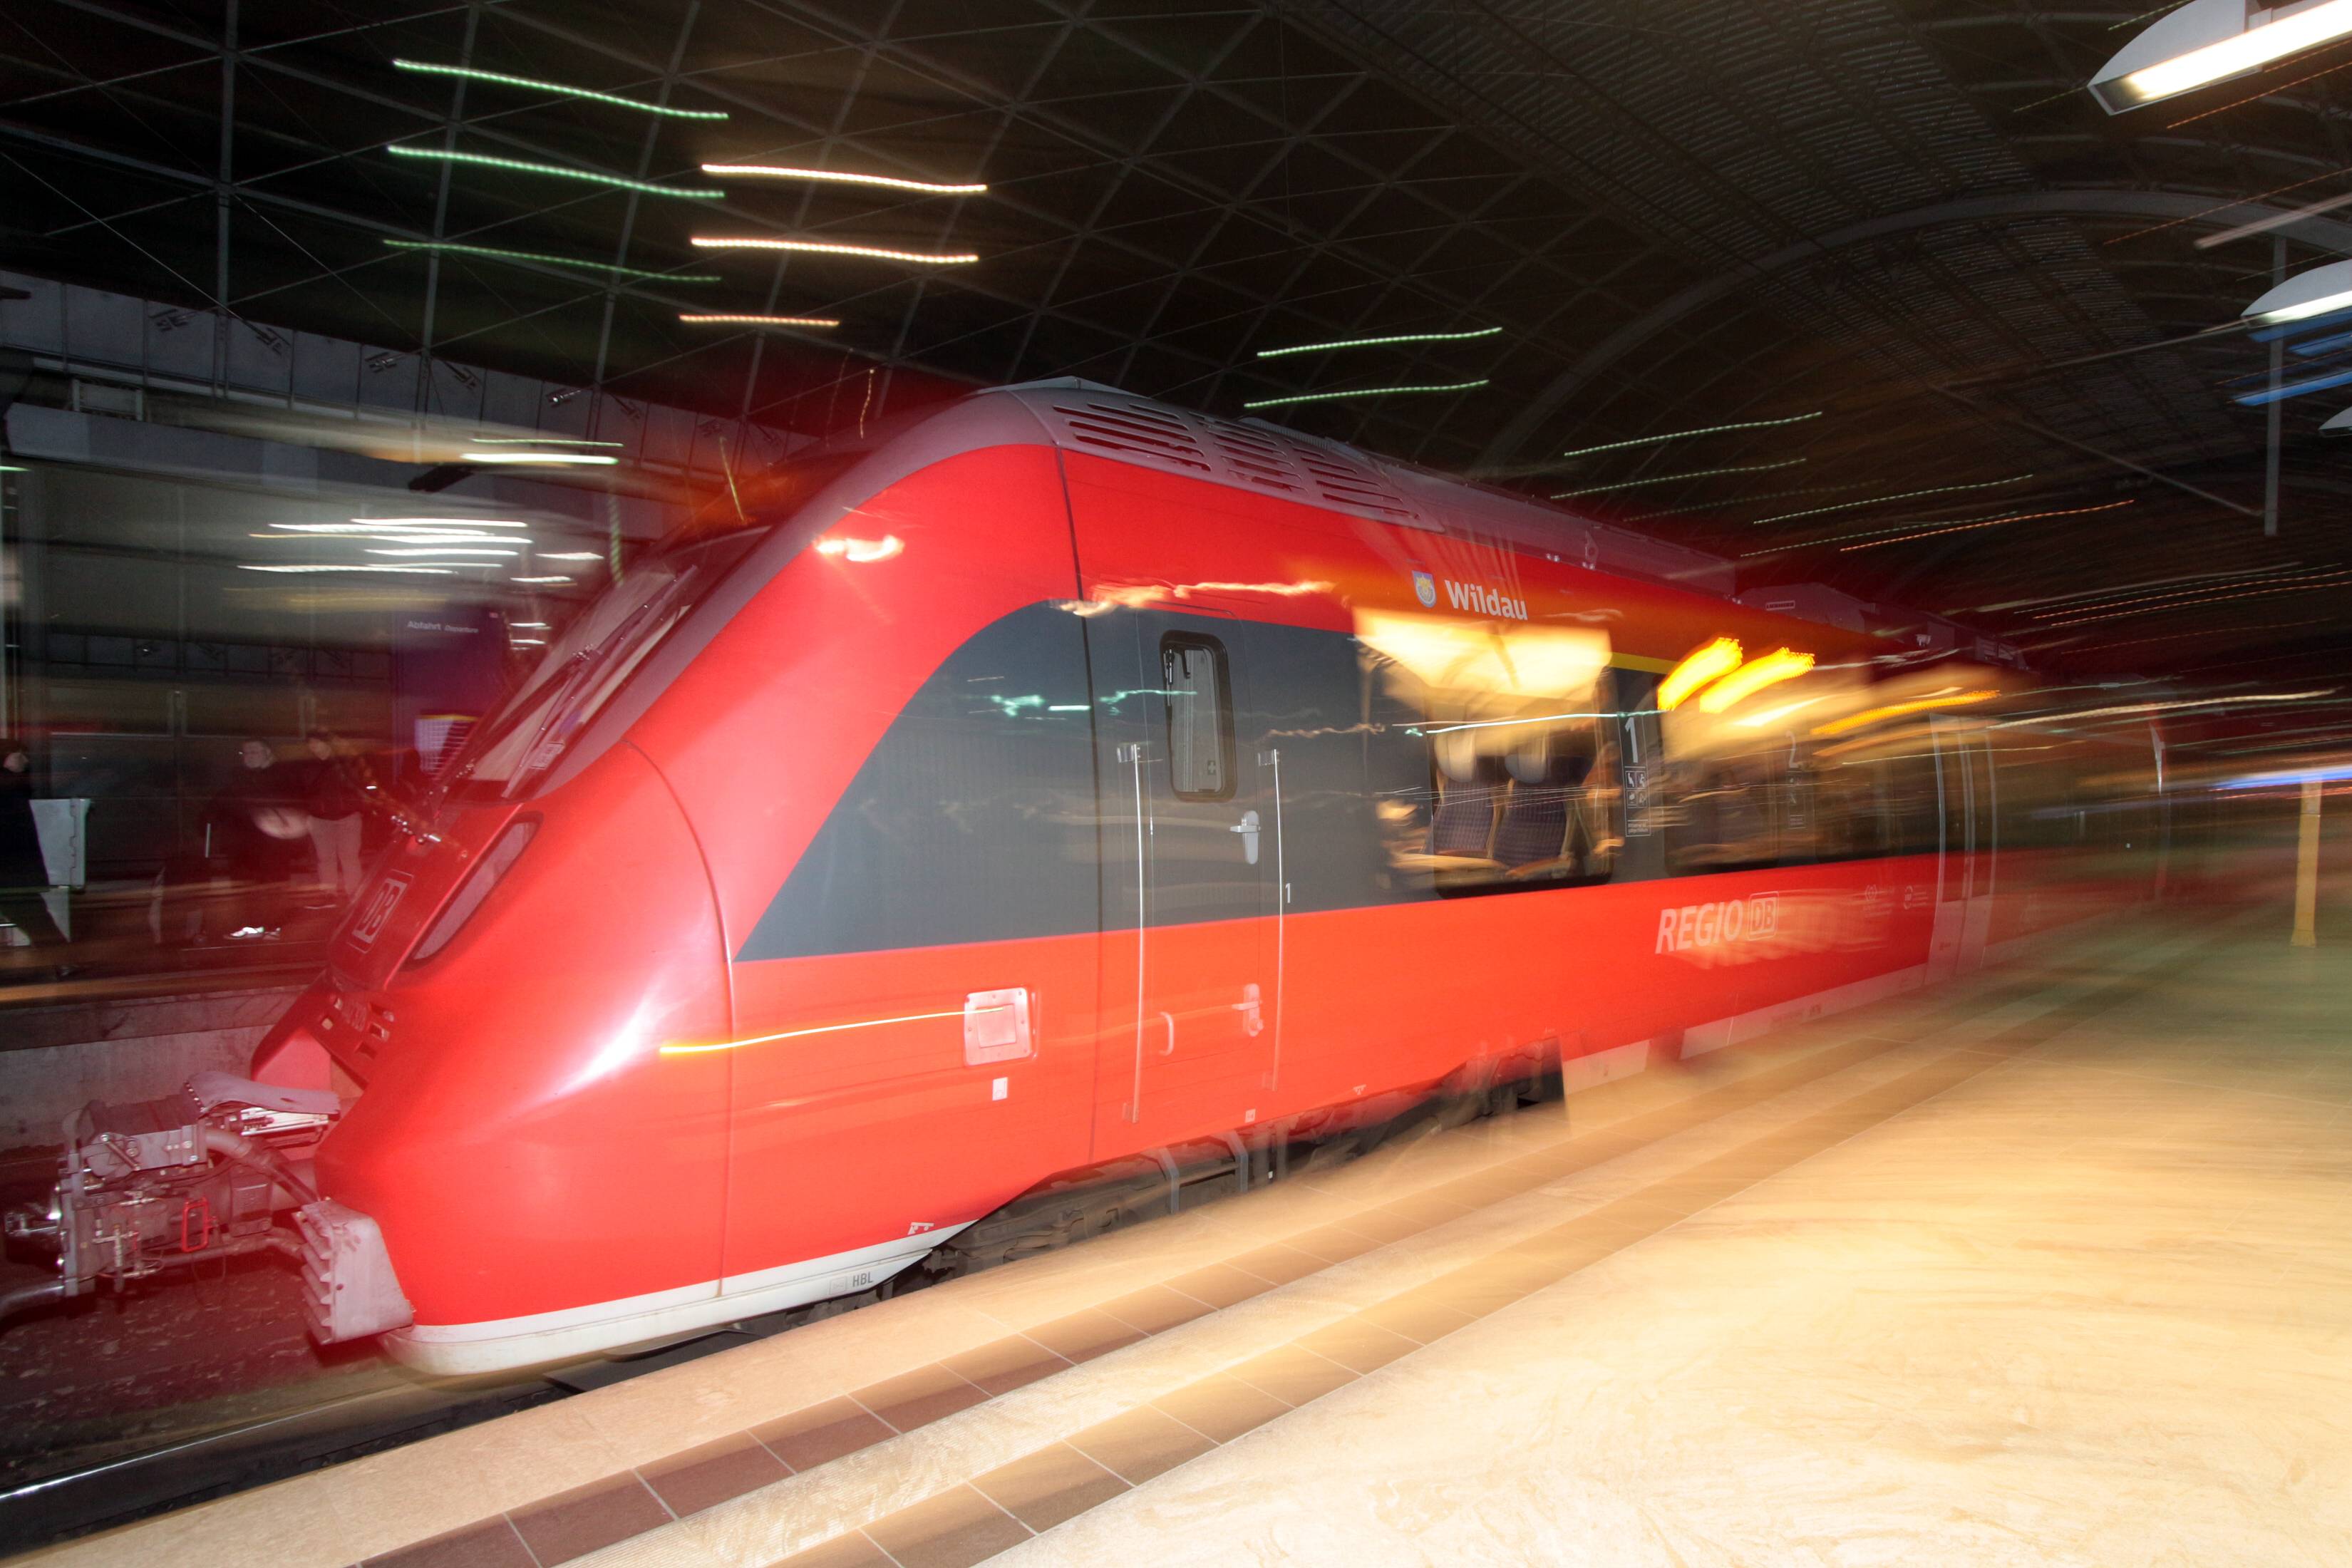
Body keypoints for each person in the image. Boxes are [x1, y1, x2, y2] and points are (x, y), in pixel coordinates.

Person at [205, 738, 307, 939]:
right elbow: (223, 801)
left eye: (254, 751)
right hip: (244, 842)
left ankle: (274, 925)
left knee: (273, 884)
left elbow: (295, 804)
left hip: (273, 842)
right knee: (244, 884)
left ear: (268, 752)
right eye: (246, 753)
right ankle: (250, 924)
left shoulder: (282, 776)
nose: (249, 756)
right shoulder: (239, 777)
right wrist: (210, 816)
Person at [0, 740, 68, 966]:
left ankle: (65, 961)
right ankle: (64, 962)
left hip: (11, 871)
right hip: (12, 872)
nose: (26, 760)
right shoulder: (9, 788)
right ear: (8, 757)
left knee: (35, 917)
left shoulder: (12, 787)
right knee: (36, 917)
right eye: (21, 755)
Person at [299, 729, 366, 903]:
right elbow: (302, 791)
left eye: (316, 742)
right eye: (311, 744)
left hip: (348, 817)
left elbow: (360, 785)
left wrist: (359, 807)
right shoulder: (307, 766)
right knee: (325, 858)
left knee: (349, 857)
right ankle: (329, 893)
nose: (313, 747)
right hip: (319, 819)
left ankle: (354, 893)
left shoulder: (346, 762)